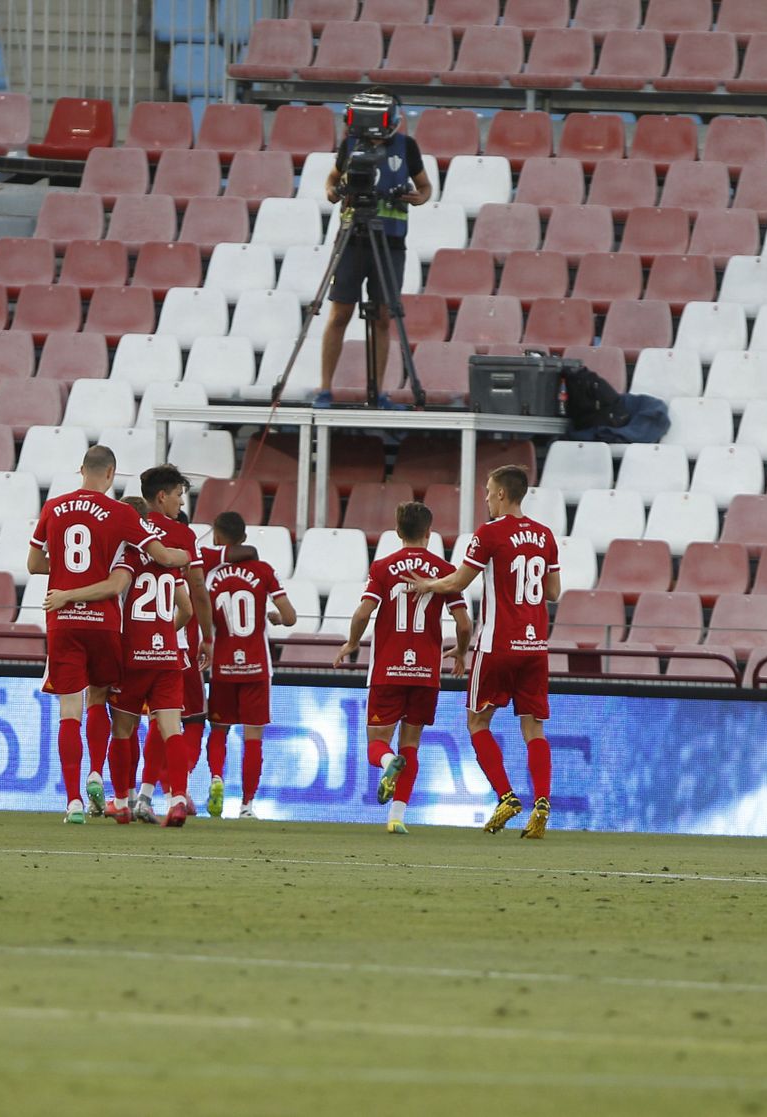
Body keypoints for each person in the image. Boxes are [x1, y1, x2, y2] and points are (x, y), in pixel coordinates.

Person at [27, 444, 188, 825]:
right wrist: (190, 557)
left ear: (81, 469)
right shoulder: (119, 513)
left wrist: (65, 574)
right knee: (100, 698)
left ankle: (73, 803)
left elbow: (34, 564)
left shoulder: (53, 508)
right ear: (112, 474)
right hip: (103, 624)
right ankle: (100, 773)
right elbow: (163, 557)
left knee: (70, 710)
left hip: (62, 618)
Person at [405, 465, 561, 839]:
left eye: (489, 492)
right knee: (534, 727)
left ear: (503, 495)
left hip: (497, 645)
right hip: (535, 645)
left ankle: (506, 796)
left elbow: (460, 580)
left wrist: (428, 584)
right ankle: (542, 803)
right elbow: (553, 592)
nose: (487, 499)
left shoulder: (489, 533)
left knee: (478, 723)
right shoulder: (545, 535)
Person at [333, 501, 471, 835]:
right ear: (429, 532)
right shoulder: (445, 570)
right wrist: (461, 652)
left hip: (388, 671)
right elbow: (464, 623)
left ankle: (386, 763)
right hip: (425, 673)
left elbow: (363, 614)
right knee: (411, 745)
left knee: (377, 745)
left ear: (397, 531)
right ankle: (396, 816)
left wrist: (352, 643)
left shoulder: (382, 567)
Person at [314, 88, 432, 410]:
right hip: (352, 240)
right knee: (340, 312)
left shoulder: (406, 147)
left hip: (391, 242)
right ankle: (325, 390)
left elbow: (425, 187)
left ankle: (378, 394)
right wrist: (333, 192)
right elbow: (332, 180)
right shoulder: (350, 145)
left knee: (382, 317)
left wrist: (418, 198)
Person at [204, 511, 296, 819]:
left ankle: (216, 777)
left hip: (222, 665)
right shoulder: (263, 570)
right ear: (243, 538)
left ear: (218, 539)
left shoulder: (211, 573)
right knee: (253, 736)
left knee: (218, 729)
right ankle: (246, 805)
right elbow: (290, 615)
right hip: (256, 666)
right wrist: (276, 618)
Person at [138, 464, 215, 815]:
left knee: (130, 724)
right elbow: (195, 592)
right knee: (180, 722)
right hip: (172, 648)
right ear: (162, 496)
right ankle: (177, 796)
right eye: (179, 496)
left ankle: (134, 796)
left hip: (130, 644)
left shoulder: (127, 529)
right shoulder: (181, 534)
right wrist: (208, 636)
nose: (181, 504)